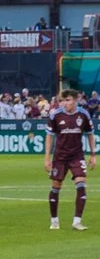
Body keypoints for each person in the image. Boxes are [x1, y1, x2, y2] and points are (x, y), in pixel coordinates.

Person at [47, 89, 91, 230]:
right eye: (63, 100)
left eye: (68, 100)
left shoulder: (83, 114)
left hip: (77, 156)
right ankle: (54, 221)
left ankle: (77, 222)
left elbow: (90, 133)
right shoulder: (55, 115)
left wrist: (93, 155)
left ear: (75, 101)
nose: (65, 103)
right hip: (60, 157)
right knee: (56, 187)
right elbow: (49, 136)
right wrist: (47, 158)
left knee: (81, 184)